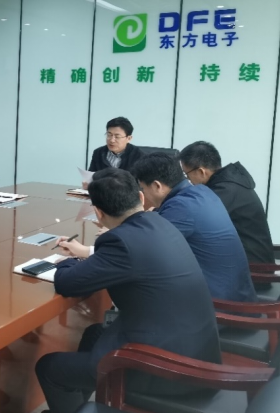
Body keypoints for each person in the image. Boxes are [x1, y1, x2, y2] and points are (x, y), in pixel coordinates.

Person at [36, 169, 221, 413]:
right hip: (196, 349)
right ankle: (82, 407)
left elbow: (67, 283)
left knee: (48, 368)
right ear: (141, 198)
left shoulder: (120, 241)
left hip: (168, 369)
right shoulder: (159, 222)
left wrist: (67, 261)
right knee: (93, 334)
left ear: (98, 213)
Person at [130, 153, 257, 303]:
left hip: (220, 305)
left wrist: (127, 223)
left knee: (140, 279)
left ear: (157, 186)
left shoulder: (181, 207)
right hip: (237, 294)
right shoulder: (201, 191)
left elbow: (146, 247)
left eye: (143, 188)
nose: (144, 193)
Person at [180, 141, 275, 265]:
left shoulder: (225, 190)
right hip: (249, 260)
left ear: (201, 172)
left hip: (252, 267)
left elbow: (193, 220)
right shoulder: (229, 184)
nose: (189, 181)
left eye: (187, 175)